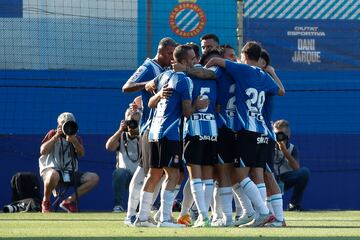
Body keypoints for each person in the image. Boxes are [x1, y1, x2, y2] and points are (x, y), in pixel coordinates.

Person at [206, 41, 285, 227]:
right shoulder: (264, 76)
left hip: (247, 132)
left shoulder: (242, 69)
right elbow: (280, 90)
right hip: (262, 131)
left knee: (240, 174)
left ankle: (264, 213)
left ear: (244, 56)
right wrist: (272, 72)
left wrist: (202, 67)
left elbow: (217, 60)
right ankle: (268, 216)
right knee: (258, 174)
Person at [134, 44, 207, 227]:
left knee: (153, 174)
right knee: (173, 175)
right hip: (171, 134)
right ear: (182, 61)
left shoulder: (164, 75)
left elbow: (150, 103)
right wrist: (198, 105)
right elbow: (186, 112)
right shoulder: (185, 81)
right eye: (191, 59)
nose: (195, 62)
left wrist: (158, 94)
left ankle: (142, 218)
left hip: (154, 133)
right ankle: (165, 218)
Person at [122, 37, 177, 224]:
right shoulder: (149, 67)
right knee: (145, 172)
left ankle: (141, 214)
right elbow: (126, 87)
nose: (172, 57)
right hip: (149, 127)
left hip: (162, 128)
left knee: (158, 173)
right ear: (160, 51)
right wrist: (146, 84)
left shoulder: (169, 69)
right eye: (170, 53)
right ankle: (131, 214)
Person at [39, 112, 99, 213]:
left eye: (68, 123)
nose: (65, 126)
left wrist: (74, 141)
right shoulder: (52, 134)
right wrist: (56, 136)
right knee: (53, 175)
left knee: (93, 178)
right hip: (51, 171)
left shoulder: (76, 138)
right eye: (63, 123)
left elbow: (81, 154)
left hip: (69, 173)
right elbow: (43, 151)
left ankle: (69, 201)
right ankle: (46, 201)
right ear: (58, 125)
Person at [105, 105, 142, 212]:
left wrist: (139, 134)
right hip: (126, 175)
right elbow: (108, 147)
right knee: (119, 173)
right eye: (131, 122)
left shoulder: (144, 136)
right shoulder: (121, 136)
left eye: (136, 122)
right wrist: (120, 130)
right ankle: (118, 205)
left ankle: (142, 206)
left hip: (140, 175)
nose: (133, 125)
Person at [273, 119, 310, 211]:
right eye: (276, 134)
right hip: (269, 179)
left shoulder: (292, 148)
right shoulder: (268, 145)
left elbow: (296, 168)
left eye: (281, 134)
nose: (279, 137)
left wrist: (285, 152)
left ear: (288, 135)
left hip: (285, 179)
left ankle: (293, 204)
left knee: (304, 172)